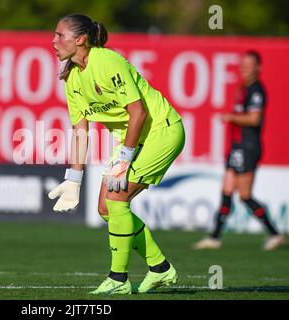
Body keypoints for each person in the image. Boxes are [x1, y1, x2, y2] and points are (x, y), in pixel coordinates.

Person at [48, 13, 185, 295]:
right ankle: (160, 268)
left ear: (80, 40)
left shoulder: (107, 61)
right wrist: (73, 179)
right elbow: (80, 132)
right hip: (135, 140)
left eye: (60, 35)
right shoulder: (73, 79)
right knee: (105, 209)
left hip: (162, 131)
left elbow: (139, 112)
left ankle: (118, 279)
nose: (54, 41)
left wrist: (124, 158)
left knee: (116, 198)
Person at [193, 50, 286, 251]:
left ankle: (275, 234)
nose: (244, 68)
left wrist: (231, 117)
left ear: (258, 68)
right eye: (242, 64)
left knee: (244, 195)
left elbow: (254, 119)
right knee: (226, 190)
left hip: (247, 147)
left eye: (248, 64)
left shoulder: (256, 90)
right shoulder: (244, 88)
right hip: (238, 147)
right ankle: (215, 237)